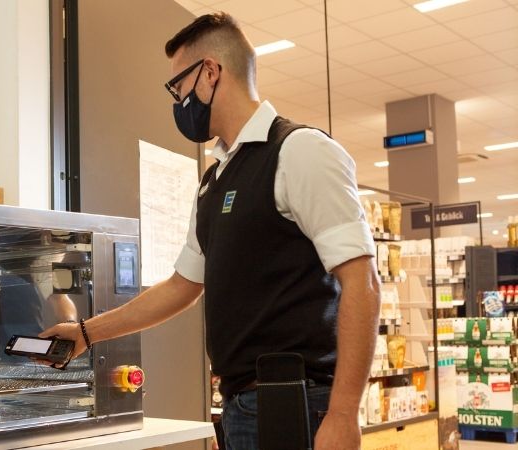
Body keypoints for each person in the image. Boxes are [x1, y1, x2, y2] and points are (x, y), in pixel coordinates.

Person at [41, 12, 380, 450]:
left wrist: (343, 414)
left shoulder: (300, 151)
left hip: (298, 402)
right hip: (244, 405)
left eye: (176, 87)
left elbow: (363, 282)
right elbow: (183, 285)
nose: (177, 100)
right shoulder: (214, 178)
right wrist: (87, 333)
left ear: (210, 72)